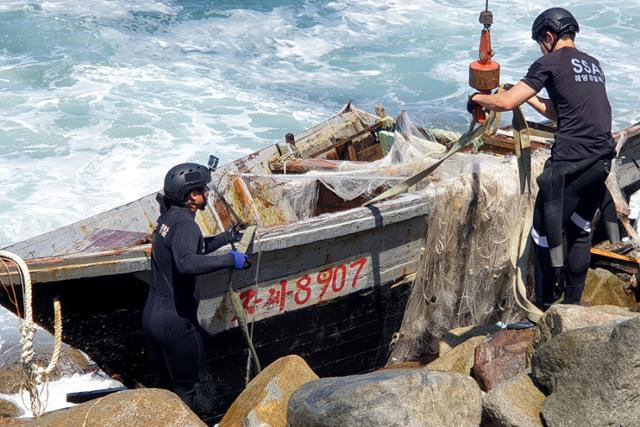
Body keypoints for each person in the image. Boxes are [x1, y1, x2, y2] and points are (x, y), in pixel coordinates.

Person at [467, 7, 614, 310]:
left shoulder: (548, 62)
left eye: (540, 42)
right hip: (600, 161)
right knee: (579, 228)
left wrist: (477, 98)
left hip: (569, 164)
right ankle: (571, 306)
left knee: (543, 232)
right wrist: (530, 97)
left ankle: (545, 308)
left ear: (548, 36)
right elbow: (561, 111)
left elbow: (505, 103)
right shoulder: (592, 64)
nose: (541, 48)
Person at [142, 162, 250, 410]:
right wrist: (230, 260)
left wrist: (225, 238)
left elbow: (189, 248)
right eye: (204, 189)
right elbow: (187, 263)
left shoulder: (167, 218)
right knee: (185, 394)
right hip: (177, 324)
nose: (208, 193)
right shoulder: (187, 225)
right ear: (192, 195)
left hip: (152, 318)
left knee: (162, 387)